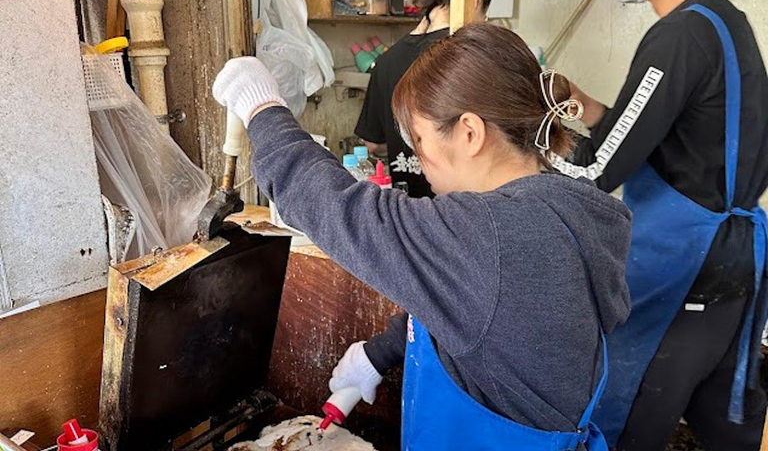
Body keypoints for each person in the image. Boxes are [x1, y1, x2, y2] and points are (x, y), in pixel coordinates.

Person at [212, 23, 632, 450]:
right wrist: (380, 353)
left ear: (470, 133)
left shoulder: (490, 234)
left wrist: (261, 107)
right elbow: (481, 309)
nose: (419, 163)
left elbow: (338, 209)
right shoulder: (559, 212)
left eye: (418, 142)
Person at [557, 0, 768, 450]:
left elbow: (598, 173)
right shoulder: (723, 23)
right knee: (723, 427)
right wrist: (586, 108)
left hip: (683, 264)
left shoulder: (680, 36)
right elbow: (672, 145)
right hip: (733, 257)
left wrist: (519, 158)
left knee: (620, 422)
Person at [354, 0, 497, 198]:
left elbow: (373, 143)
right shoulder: (473, 55)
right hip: (465, 212)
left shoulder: (387, 61)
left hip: (409, 212)